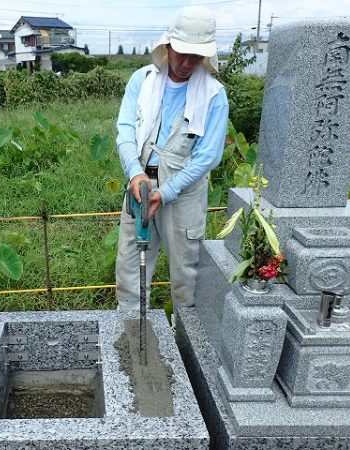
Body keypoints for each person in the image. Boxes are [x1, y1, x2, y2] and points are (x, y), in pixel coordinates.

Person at [115, 5, 229, 310]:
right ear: (168, 46)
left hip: (184, 195)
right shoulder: (142, 81)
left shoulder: (215, 95)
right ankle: (129, 341)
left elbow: (206, 157)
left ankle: (185, 346)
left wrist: (166, 192)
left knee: (185, 276)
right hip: (139, 188)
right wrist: (135, 173)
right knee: (129, 272)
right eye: (182, 54)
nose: (188, 63)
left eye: (197, 56)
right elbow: (125, 131)